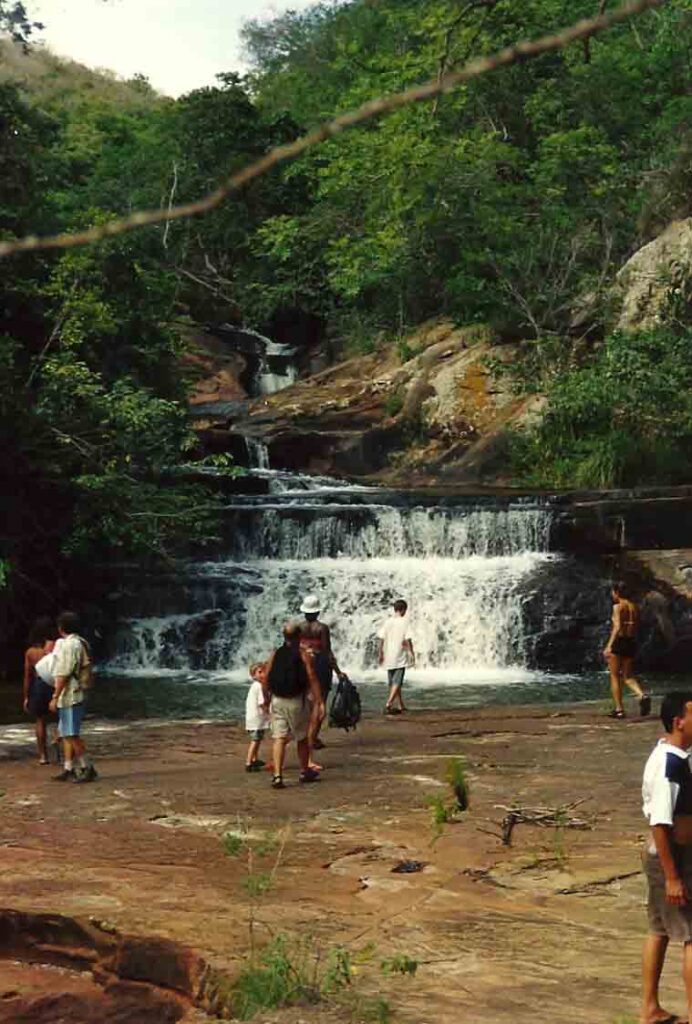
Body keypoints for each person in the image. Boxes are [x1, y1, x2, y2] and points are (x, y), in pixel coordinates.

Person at [640, 691, 692, 1024]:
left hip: (669, 856)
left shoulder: (677, 753)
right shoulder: (667, 766)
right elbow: (660, 822)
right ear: (679, 722)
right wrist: (673, 876)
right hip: (671, 858)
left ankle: (649, 1009)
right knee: (691, 934)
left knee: (659, 929)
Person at [263, 623, 325, 790]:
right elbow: (312, 677)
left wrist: (266, 698)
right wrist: (319, 701)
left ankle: (277, 776)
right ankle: (304, 771)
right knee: (302, 738)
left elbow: (266, 677)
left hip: (277, 700)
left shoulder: (275, 653)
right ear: (299, 637)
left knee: (279, 738)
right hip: (296, 700)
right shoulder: (303, 654)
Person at [49, 611, 97, 783]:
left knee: (70, 734)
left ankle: (87, 766)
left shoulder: (69, 646)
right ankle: (68, 768)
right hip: (74, 693)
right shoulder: (80, 642)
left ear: (61, 628)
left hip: (71, 694)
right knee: (66, 732)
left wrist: (55, 696)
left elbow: (63, 673)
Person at [297, 594, 346, 756]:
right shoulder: (322, 628)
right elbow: (327, 651)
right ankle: (314, 737)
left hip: (303, 664)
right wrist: (338, 671)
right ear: (317, 612)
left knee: (306, 701)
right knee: (320, 701)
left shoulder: (299, 627)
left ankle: (305, 735)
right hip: (320, 666)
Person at [604, 581, 650, 719]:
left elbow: (617, 627)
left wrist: (609, 645)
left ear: (617, 592)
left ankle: (619, 709)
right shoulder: (633, 607)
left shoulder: (618, 607)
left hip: (619, 641)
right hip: (631, 642)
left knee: (614, 676)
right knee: (628, 676)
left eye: (613, 592)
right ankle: (642, 695)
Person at [22, 617, 56, 764]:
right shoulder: (56, 647)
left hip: (39, 684)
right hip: (56, 683)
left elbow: (27, 676)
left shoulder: (31, 652)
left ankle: (43, 756)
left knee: (40, 720)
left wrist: (26, 696)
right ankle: (64, 751)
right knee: (62, 718)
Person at [378, 599, 415, 715]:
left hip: (388, 654)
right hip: (399, 655)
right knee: (397, 682)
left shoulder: (388, 622)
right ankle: (388, 704)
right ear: (403, 610)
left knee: (393, 681)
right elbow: (408, 638)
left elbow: (381, 638)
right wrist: (411, 652)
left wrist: (380, 653)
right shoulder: (404, 622)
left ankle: (400, 705)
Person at [245, 661, 270, 772]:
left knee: (257, 739)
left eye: (264, 671)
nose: (263, 674)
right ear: (253, 675)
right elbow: (262, 703)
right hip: (256, 719)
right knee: (255, 741)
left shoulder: (255, 686)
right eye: (260, 672)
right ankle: (249, 762)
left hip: (253, 718)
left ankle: (254, 759)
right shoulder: (259, 686)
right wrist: (269, 714)